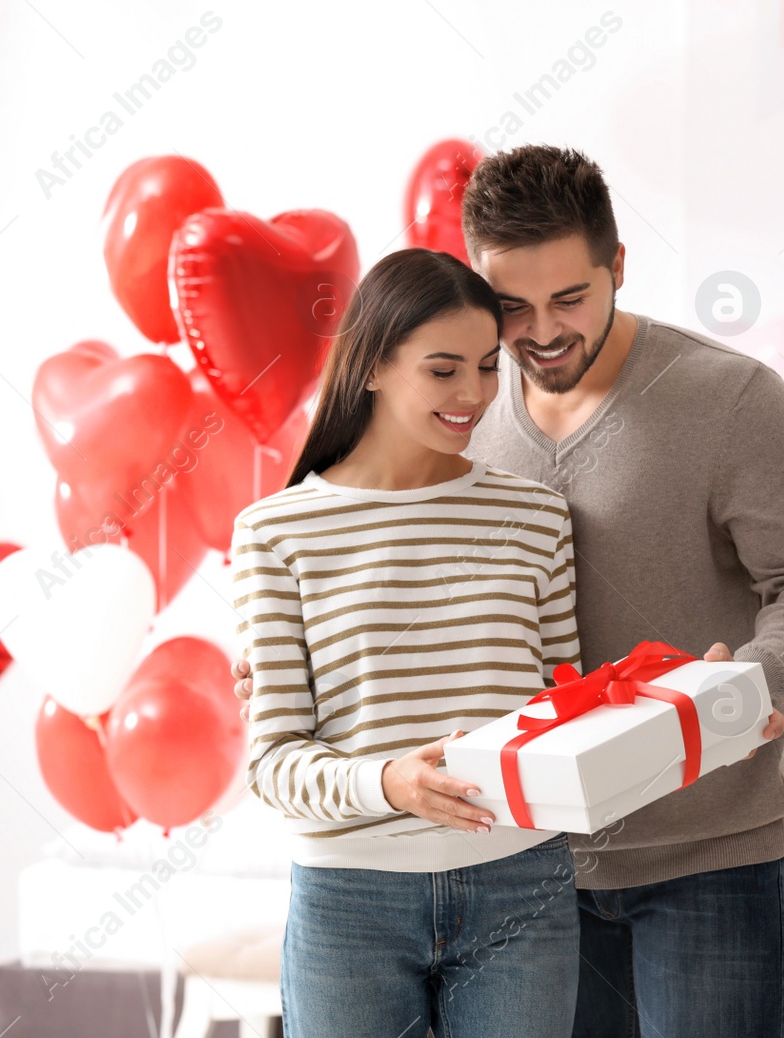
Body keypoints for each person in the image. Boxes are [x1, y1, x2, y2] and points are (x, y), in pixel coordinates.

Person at [235, 145, 784, 1037]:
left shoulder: (730, 399)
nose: (541, 332)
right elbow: (371, 562)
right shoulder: (459, 407)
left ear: (617, 268)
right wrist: (283, 653)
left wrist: (758, 683)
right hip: (530, 871)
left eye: (570, 298)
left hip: (704, 855)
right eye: (511, 308)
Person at [229, 247, 583, 1038]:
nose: (475, 396)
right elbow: (272, 760)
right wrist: (388, 782)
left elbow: (570, 709)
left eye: (489, 367)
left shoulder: (535, 515)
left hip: (521, 883)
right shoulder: (275, 533)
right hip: (350, 899)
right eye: (444, 369)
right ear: (372, 367)